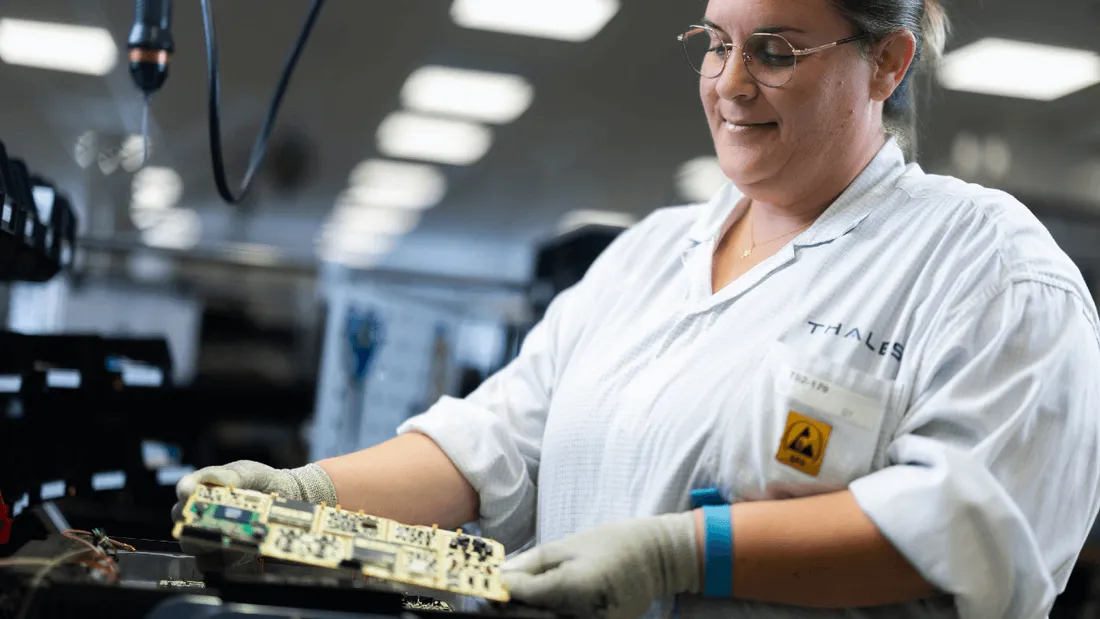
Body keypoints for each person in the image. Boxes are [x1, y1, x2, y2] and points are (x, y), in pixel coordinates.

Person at [174, 0, 1100, 616]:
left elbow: (963, 523)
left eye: (776, 51)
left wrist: (680, 553)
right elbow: (493, 440)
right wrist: (307, 496)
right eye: (716, 42)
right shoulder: (650, 253)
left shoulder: (988, 267)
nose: (732, 83)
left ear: (887, 62)